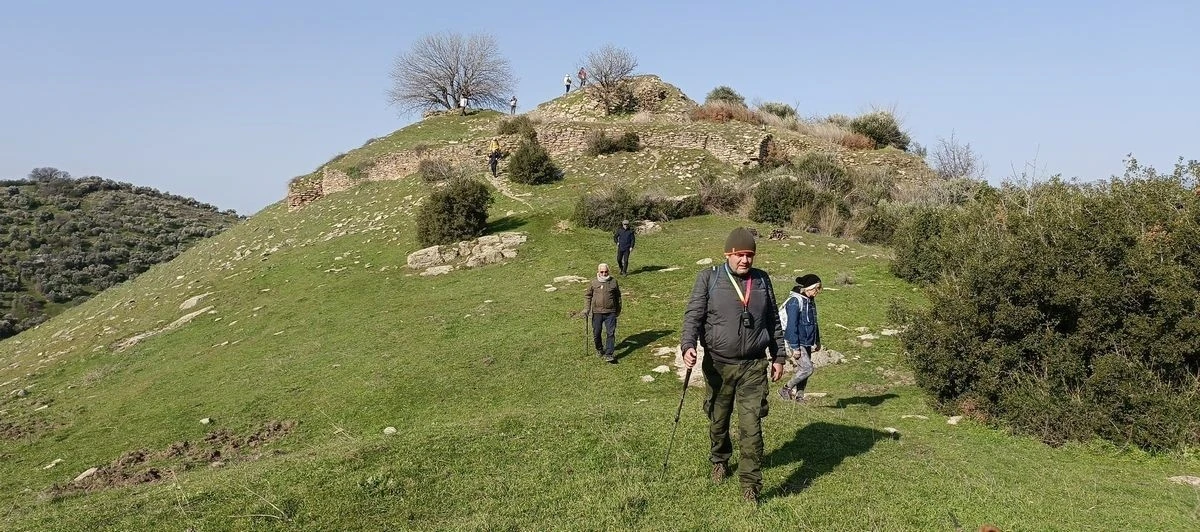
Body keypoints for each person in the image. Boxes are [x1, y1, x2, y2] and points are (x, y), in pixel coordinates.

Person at [681, 227, 785, 504]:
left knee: (751, 427)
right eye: (740, 254)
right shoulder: (709, 278)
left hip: (753, 366)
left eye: (749, 255)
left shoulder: (762, 280)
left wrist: (779, 356)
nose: (745, 260)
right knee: (718, 420)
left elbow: (773, 321)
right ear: (728, 254)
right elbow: (693, 316)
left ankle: (750, 485)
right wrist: (688, 345)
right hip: (718, 365)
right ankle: (720, 459)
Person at [778, 274, 822, 402]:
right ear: (809, 287)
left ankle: (799, 397)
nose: (817, 291)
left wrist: (817, 340)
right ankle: (786, 388)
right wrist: (795, 347)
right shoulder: (795, 302)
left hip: (807, 341)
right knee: (807, 368)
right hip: (797, 341)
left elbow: (815, 323)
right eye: (816, 288)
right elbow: (792, 325)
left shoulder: (810, 302)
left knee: (804, 370)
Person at [585, 263, 621, 363]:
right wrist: (587, 309)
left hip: (611, 312)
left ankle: (609, 354)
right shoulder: (594, 282)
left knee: (611, 333)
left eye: (606, 271)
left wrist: (618, 310)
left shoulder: (613, 282)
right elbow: (588, 296)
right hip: (597, 312)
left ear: (608, 271)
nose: (604, 273)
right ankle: (599, 349)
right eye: (602, 272)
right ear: (598, 272)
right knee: (596, 333)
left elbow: (618, 297)